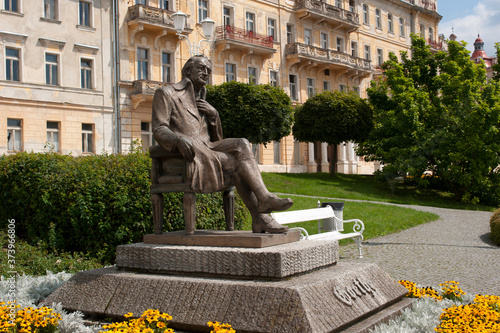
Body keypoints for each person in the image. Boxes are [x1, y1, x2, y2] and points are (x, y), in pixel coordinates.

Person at [152, 55, 293, 233]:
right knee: (233, 164)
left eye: (209, 71)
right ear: (188, 70)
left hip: (207, 147)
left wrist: (214, 115)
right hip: (185, 153)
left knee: (242, 143)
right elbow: (159, 128)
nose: (206, 73)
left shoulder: (202, 99)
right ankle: (260, 218)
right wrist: (178, 140)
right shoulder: (167, 93)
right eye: (202, 68)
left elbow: (217, 138)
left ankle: (264, 197)